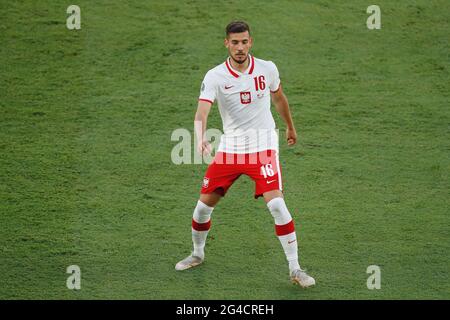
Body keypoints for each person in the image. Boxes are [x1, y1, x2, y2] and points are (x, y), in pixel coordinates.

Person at [175, 21, 315, 288]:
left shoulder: (267, 68)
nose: (240, 47)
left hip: (263, 147)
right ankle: (197, 253)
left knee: (276, 204)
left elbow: (279, 98)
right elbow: (202, 110)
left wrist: (290, 127)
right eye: (234, 42)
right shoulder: (215, 76)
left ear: (251, 42)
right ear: (226, 43)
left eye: (244, 42)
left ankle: (295, 268)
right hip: (231, 148)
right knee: (203, 208)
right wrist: (200, 136)